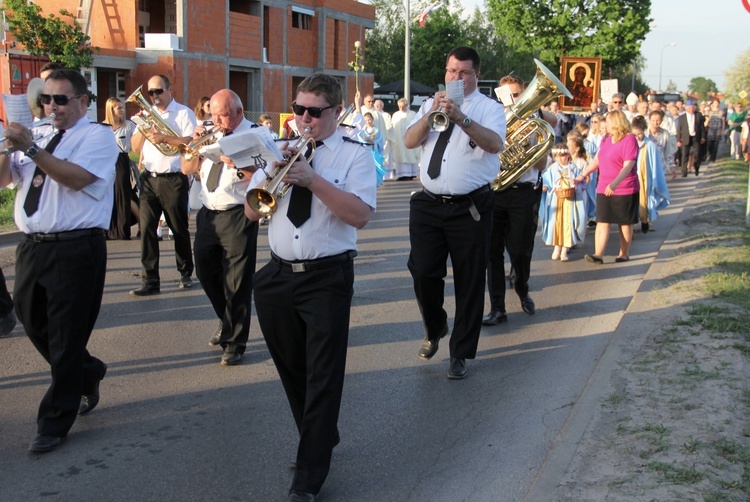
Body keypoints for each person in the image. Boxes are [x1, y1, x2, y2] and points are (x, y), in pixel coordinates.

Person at [245, 73, 376, 501]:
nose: (303, 119)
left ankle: (309, 475)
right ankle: (317, 438)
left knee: (323, 376)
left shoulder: (354, 156)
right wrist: (271, 170)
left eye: (313, 112)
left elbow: (359, 216)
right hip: (278, 275)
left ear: (336, 112)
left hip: (326, 277)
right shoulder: (278, 150)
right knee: (293, 370)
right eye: (298, 110)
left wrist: (313, 180)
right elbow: (251, 212)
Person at [0, 69, 118, 452]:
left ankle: (54, 421)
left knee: (66, 335)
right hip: (33, 245)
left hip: (75, 247)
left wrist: (32, 149)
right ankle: (87, 371)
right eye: (46, 99)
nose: (52, 106)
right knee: (33, 322)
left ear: (83, 102)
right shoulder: (40, 134)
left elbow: (76, 179)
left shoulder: (97, 136)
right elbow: (5, 181)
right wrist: (7, 147)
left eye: (61, 100)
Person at [405, 46, 505, 379]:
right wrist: (431, 111)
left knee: (470, 279)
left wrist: (461, 117)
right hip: (429, 202)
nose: (455, 78)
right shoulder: (429, 103)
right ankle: (435, 328)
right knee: (422, 271)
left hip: (470, 207)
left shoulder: (490, 108)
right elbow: (409, 141)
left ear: (476, 74)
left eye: (462, 72)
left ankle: (460, 352)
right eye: (451, 71)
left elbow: (494, 144)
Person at [181, 90, 259, 366]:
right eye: (212, 114)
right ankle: (227, 321)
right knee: (204, 271)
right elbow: (186, 168)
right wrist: (194, 143)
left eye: (222, 115)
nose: (216, 120)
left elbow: (269, 173)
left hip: (238, 212)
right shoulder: (211, 131)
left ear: (239, 112)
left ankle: (235, 342)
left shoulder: (256, 134)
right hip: (208, 212)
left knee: (237, 282)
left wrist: (238, 161)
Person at [483, 73, 554, 328]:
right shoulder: (490, 121)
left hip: (523, 192)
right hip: (494, 192)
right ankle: (497, 308)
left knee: (521, 250)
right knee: (492, 253)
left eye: (516, 95)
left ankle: (522, 287)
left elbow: (543, 163)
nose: (511, 100)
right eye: (506, 96)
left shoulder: (535, 122)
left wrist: (525, 146)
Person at [130, 74, 196, 295]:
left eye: (159, 91)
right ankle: (150, 280)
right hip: (149, 178)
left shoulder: (184, 113)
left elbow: (190, 142)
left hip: (173, 179)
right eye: (151, 93)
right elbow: (135, 147)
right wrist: (141, 126)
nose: (154, 96)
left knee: (178, 228)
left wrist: (165, 138)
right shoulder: (149, 115)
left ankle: (185, 272)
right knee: (147, 229)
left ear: (170, 90)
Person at [576, 110, 639, 264]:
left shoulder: (629, 139)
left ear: (617, 123)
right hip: (603, 186)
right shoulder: (606, 139)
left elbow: (628, 165)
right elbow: (597, 159)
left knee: (624, 222)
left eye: (609, 122)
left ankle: (624, 253)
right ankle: (598, 254)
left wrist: (615, 183)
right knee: (603, 220)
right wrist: (583, 174)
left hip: (624, 187)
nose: (606, 126)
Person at [539, 145, 586, 262]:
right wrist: (545, 186)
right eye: (557, 156)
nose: (560, 159)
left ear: (568, 155)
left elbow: (582, 182)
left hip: (570, 201)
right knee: (556, 224)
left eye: (563, 156)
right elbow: (546, 180)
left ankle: (565, 250)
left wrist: (576, 185)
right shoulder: (552, 168)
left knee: (568, 225)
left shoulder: (574, 169)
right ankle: (557, 247)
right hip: (556, 201)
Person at [104, 97, 139, 240]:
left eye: (122, 107)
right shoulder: (102, 127)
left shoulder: (129, 125)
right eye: (118, 108)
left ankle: (127, 228)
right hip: (106, 162)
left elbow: (136, 145)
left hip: (121, 161)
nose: (122, 110)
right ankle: (109, 229)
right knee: (108, 195)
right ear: (110, 110)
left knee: (124, 195)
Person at [631, 116, 670, 234]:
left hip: (645, 177)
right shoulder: (629, 142)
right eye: (635, 134)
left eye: (640, 134)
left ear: (644, 131)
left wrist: (655, 180)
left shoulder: (650, 145)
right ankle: (633, 223)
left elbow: (655, 164)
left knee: (645, 199)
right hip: (632, 176)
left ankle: (645, 220)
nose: (637, 137)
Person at [389, 97, 420, 180]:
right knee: (400, 155)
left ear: (406, 105)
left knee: (411, 155)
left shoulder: (412, 114)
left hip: (409, 137)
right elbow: (393, 126)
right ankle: (401, 175)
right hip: (399, 139)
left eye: (403, 106)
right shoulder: (396, 115)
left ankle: (411, 174)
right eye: (400, 106)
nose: (402, 108)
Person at [676, 99, 706, 177]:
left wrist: (703, 136)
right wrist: (678, 139)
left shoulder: (698, 115)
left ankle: (696, 168)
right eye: (689, 108)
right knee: (684, 155)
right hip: (686, 138)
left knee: (697, 154)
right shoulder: (682, 117)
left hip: (696, 137)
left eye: (692, 107)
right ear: (686, 108)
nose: (691, 109)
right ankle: (684, 171)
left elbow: (702, 127)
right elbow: (679, 129)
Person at [704, 98, 724, 164]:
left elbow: (723, 121)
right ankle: (709, 154)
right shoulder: (709, 112)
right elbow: (706, 120)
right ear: (712, 104)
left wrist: (722, 130)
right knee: (709, 144)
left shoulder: (721, 112)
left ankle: (713, 158)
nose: (716, 104)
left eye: (717, 103)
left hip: (718, 129)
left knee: (716, 144)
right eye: (714, 103)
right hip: (711, 129)